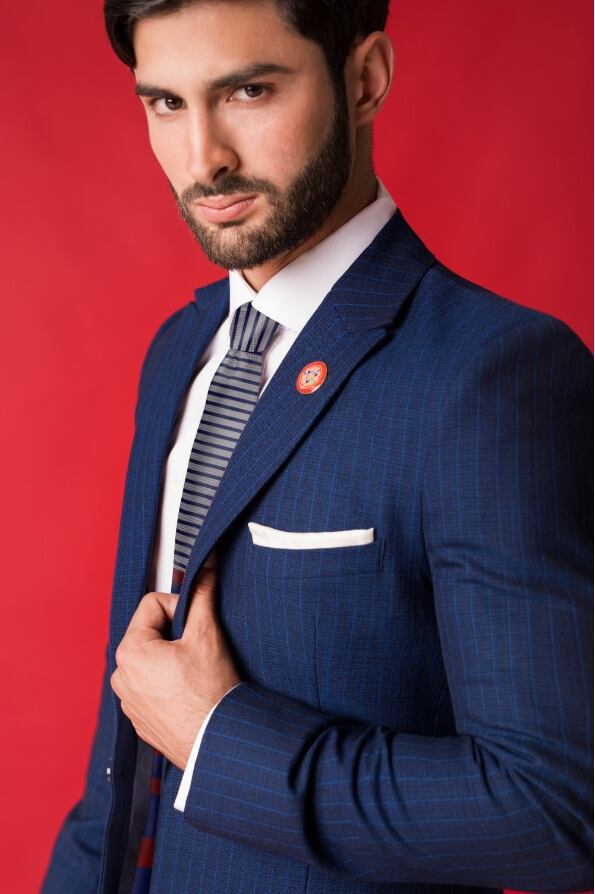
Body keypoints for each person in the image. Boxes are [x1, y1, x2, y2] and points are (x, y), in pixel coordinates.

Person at [42, 1, 593, 893]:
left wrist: (218, 741)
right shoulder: (179, 351)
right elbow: (125, 760)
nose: (204, 159)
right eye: (167, 104)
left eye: (248, 92)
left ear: (364, 79)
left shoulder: (489, 374)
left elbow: (561, 811)